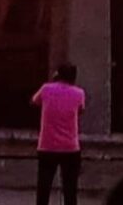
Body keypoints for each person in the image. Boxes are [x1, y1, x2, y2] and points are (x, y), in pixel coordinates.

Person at [31, 63, 85, 205]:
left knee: (44, 186)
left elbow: (34, 102)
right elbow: (80, 110)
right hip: (70, 147)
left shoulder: (46, 89)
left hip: (47, 146)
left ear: (57, 74)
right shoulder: (79, 93)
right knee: (70, 189)